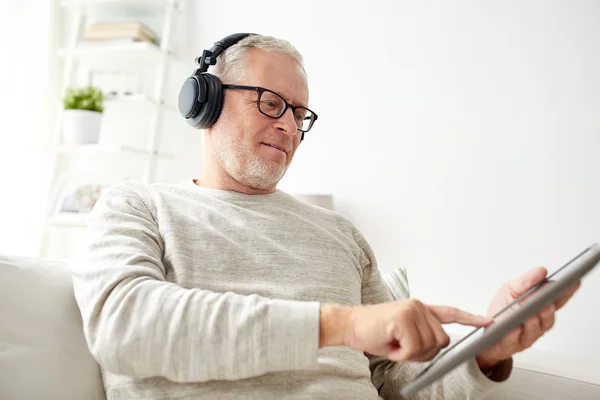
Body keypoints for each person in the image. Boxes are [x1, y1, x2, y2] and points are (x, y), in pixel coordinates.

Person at [71, 33, 580, 400]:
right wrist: (340, 325)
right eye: (272, 104)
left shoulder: (338, 233)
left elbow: (399, 383)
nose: (290, 128)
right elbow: (125, 327)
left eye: (300, 114)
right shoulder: (136, 205)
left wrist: (487, 352)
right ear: (204, 103)